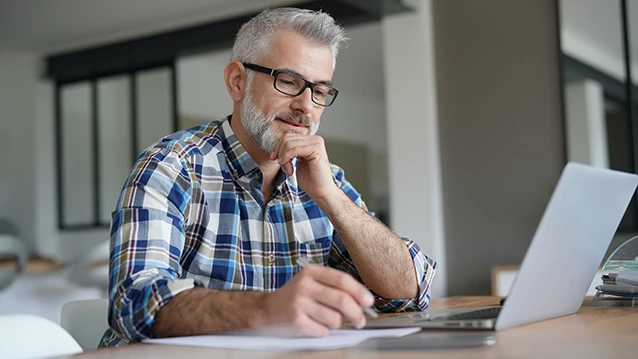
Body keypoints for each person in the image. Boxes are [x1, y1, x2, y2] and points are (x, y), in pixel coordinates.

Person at [99, 7, 436, 347]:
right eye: (289, 81)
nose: (306, 105)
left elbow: (408, 294)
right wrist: (267, 308)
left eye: (319, 91)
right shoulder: (172, 166)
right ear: (237, 81)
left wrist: (331, 198)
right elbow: (133, 304)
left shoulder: (327, 180)